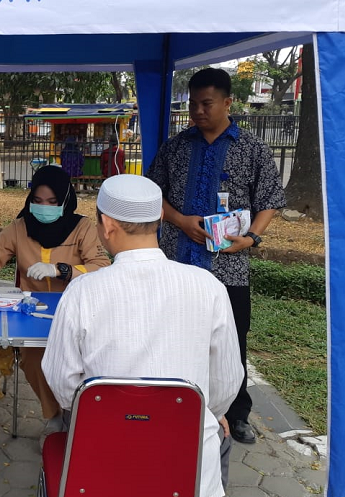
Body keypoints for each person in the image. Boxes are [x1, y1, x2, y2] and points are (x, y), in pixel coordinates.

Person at [41, 174, 244, 497]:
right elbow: (227, 381)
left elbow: (63, 386)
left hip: (102, 466)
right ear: (161, 218)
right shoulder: (209, 287)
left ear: (106, 225)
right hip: (187, 468)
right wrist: (204, 412)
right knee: (216, 432)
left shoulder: (82, 291)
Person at [146, 68, 286, 445]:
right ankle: (170, 402)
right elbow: (152, 195)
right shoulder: (175, 148)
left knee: (232, 342)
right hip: (176, 263)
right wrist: (180, 220)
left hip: (229, 269)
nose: (197, 111)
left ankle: (236, 414)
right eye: (192, 104)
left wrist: (252, 238)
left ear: (228, 102)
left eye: (206, 103)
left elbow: (271, 200)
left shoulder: (252, 148)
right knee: (171, 335)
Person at [0, 165, 110, 440]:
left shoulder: (82, 228)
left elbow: (101, 266)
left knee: (80, 361)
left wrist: (63, 270)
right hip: (31, 312)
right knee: (33, 360)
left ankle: (78, 411)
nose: (43, 207)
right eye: (37, 201)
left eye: (51, 202)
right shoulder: (19, 227)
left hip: (75, 309)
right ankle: (53, 416)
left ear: (65, 201)